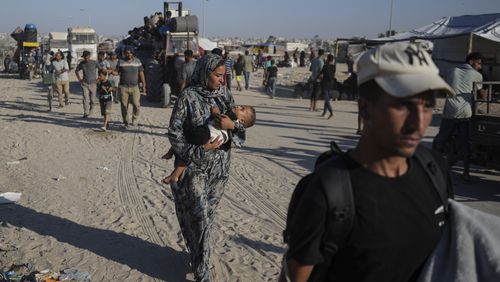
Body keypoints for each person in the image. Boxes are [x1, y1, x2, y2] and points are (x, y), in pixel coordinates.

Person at [284, 42, 455, 282]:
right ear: (365, 108)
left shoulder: (433, 170)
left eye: (428, 106)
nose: (419, 122)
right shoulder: (329, 192)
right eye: (403, 105)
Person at [166, 53, 246, 282]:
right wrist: (199, 151)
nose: (222, 80)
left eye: (223, 75)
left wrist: (234, 125)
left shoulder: (225, 95)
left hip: (220, 170)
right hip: (195, 169)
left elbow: (241, 131)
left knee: (206, 218)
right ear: (204, 72)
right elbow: (175, 133)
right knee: (199, 216)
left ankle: (196, 254)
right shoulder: (188, 97)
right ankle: (202, 272)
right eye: (217, 75)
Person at [162, 104, 256, 184]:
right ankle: (175, 173)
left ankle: (172, 157)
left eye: (242, 109)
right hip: (211, 138)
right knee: (188, 148)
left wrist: (215, 112)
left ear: (242, 121)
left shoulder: (233, 118)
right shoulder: (237, 127)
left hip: (207, 134)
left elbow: (221, 119)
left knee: (186, 139)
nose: (238, 106)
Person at [432, 52, 486, 181]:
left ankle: (433, 169)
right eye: (479, 63)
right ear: (472, 61)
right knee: (465, 144)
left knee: (441, 141)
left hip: (449, 112)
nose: (480, 66)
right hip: (465, 114)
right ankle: (466, 173)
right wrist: (483, 93)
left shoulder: (452, 70)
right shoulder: (477, 75)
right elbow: (481, 96)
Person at [115, 46, 146, 128]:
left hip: (135, 87)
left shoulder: (138, 61)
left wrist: (144, 85)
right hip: (123, 87)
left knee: (136, 105)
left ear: (133, 53)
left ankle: (134, 120)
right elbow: (116, 72)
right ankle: (126, 122)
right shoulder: (120, 61)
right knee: (124, 106)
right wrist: (109, 71)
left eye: (130, 53)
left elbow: (141, 73)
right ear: (124, 53)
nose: (129, 54)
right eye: (127, 53)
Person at [75, 50, 100, 118]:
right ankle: (85, 112)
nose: (86, 58)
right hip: (85, 83)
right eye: (85, 57)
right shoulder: (82, 63)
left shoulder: (94, 63)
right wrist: (79, 79)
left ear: (89, 56)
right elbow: (76, 71)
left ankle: (91, 111)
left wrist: (99, 79)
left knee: (93, 100)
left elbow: (101, 70)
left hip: (93, 84)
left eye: (87, 57)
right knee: (85, 98)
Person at [320, 54, 336, 119]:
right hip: (331, 83)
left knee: (326, 99)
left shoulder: (325, 66)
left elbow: (321, 75)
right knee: (327, 98)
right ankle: (324, 112)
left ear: (328, 59)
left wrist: (320, 79)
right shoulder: (334, 67)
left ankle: (331, 112)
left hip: (325, 83)